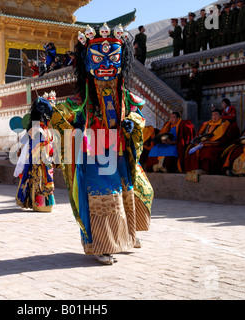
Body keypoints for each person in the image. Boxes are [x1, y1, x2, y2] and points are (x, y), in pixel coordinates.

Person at [50, 24, 153, 265]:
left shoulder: (125, 95)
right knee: (104, 198)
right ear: (87, 63)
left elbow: (137, 116)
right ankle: (100, 244)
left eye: (113, 58)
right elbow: (64, 116)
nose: (106, 66)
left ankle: (128, 235)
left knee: (130, 192)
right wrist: (50, 112)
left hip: (119, 154)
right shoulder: (81, 99)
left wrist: (131, 125)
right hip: (93, 154)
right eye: (98, 59)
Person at [14, 93, 56, 212]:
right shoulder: (38, 129)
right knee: (39, 181)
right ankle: (40, 204)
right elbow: (30, 145)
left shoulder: (43, 129)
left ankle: (42, 204)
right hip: (38, 160)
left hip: (45, 159)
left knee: (43, 181)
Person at [185, 109, 240, 175]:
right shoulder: (207, 124)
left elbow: (225, 140)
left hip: (217, 145)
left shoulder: (225, 125)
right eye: (213, 115)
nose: (214, 117)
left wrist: (211, 143)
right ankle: (192, 169)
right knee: (191, 149)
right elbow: (199, 134)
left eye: (216, 115)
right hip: (204, 144)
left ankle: (205, 170)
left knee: (209, 152)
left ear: (220, 115)